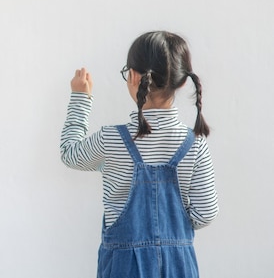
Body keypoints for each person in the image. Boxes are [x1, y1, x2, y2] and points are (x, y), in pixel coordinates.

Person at [60, 31, 218, 278]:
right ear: (183, 81)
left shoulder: (111, 139)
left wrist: (81, 97)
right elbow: (206, 212)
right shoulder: (195, 143)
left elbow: (70, 153)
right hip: (179, 266)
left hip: (124, 267)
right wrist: (171, 229)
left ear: (133, 76)